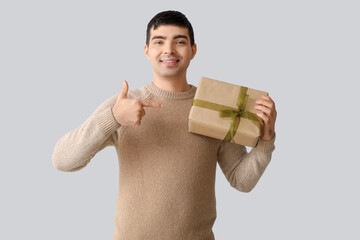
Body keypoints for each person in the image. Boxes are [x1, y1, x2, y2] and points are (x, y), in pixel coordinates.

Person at [52, 10, 277, 240]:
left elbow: (242, 180)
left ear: (193, 50)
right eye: (159, 41)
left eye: (180, 41)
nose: (169, 50)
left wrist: (265, 142)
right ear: (147, 51)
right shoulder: (124, 105)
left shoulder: (214, 108)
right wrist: (113, 118)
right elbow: (62, 160)